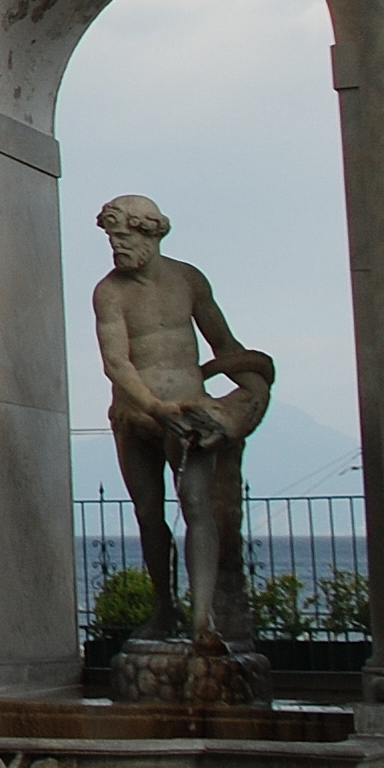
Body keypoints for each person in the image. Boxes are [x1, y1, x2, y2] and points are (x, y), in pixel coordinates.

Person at [91, 195, 274, 645]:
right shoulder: (109, 292)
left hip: (190, 412)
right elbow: (116, 363)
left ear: (150, 233)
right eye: (112, 238)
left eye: (123, 236)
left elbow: (223, 344)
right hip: (137, 414)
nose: (116, 245)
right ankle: (165, 608)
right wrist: (153, 406)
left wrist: (252, 387)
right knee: (148, 513)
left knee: (196, 505)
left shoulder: (188, 280)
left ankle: (202, 620)